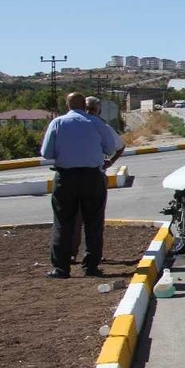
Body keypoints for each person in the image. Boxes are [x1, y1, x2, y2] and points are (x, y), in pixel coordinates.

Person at [40, 92, 121, 279]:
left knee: (63, 222)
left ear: (67, 105)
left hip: (66, 178)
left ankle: (61, 268)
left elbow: (46, 153)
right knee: (94, 223)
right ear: (85, 106)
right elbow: (110, 149)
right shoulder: (96, 123)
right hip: (93, 177)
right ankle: (91, 267)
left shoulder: (57, 123)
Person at [70, 96, 125, 264]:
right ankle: (91, 257)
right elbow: (118, 146)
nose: (90, 112)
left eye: (91, 109)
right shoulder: (101, 126)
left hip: (71, 176)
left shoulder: (69, 124)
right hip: (94, 175)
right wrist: (109, 162)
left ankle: (74, 254)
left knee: (75, 218)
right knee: (93, 219)